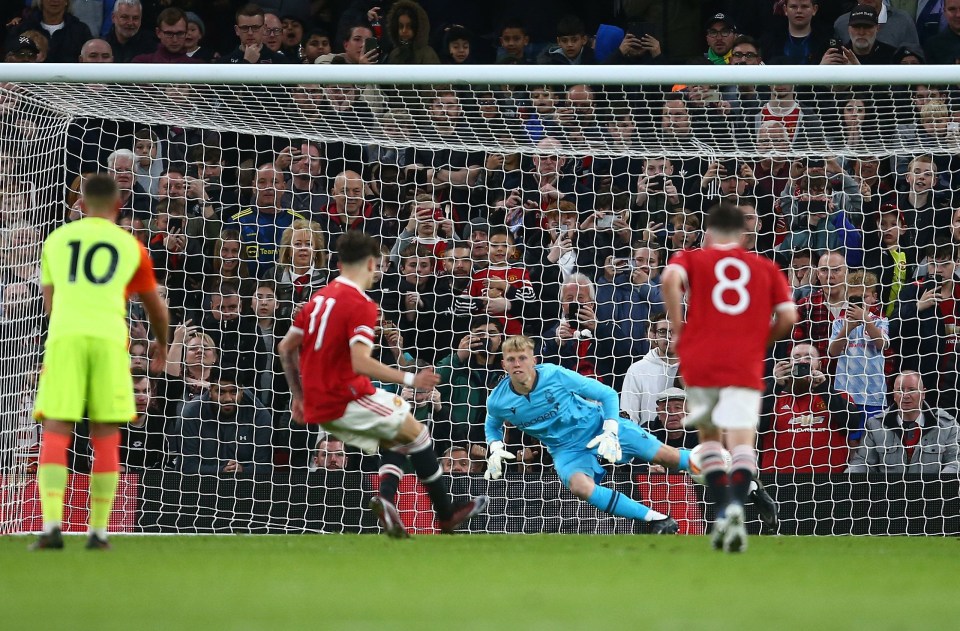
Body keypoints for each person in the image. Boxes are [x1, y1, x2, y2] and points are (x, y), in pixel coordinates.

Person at [278, 230, 488, 538]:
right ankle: (444, 514)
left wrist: (298, 395)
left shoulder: (318, 300)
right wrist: (410, 378)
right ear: (371, 264)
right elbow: (360, 361)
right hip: (345, 394)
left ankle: (390, 501)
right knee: (419, 434)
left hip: (320, 400)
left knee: (402, 433)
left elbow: (285, 348)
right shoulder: (360, 303)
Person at [31, 174, 169, 550]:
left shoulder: (56, 240)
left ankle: (52, 527)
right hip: (109, 339)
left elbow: (50, 301)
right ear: (118, 205)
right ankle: (98, 532)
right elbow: (154, 303)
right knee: (106, 432)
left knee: (57, 427)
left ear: (81, 203)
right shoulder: (128, 244)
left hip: (66, 338)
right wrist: (161, 342)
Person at [661, 202, 797, 552]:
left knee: (709, 441)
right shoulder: (764, 266)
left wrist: (679, 329)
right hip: (743, 362)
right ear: (742, 234)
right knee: (740, 444)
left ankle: (724, 509)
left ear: (709, 231)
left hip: (701, 359)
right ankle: (736, 504)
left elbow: (669, 279)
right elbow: (788, 316)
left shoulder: (692, 257)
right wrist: (759, 342)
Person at [485, 335, 686, 534]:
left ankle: (714, 460)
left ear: (534, 361)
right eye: (511, 359)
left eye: (522, 358)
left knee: (669, 458)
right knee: (580, 487)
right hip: (566, 449)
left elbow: (606, 394)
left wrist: (610, 430)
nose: (517, 364)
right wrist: (495, 447)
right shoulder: (498, 401)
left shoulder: (555, 375)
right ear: (504, 364)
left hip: (597, 425)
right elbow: (492, 425)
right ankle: (657, 519)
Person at [848, 371, 959, 474]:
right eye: (900, 390)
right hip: (888, 492)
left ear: (923, 394)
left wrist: (938, 488)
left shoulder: (947, 425)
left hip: (931, 492)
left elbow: (955, 462)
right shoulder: (875, 425)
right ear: (894, 395)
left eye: (911, 390)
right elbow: (862, 463)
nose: (905, 395)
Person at [173, 366, 273, 475]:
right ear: (210, 391)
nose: (227, 399)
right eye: (221, 392)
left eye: (234, 392)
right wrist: (221, 470)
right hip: (199, 486)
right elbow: (187, 467)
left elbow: (265, 468)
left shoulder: (259, 415)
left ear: (242, 391)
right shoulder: (191, 414)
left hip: (246, 485)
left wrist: (243, 470)